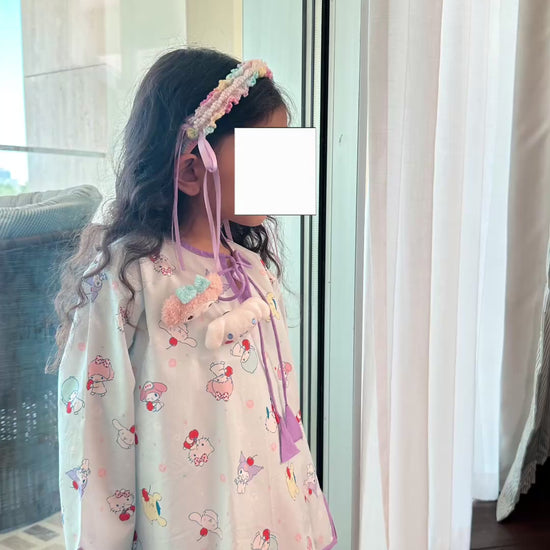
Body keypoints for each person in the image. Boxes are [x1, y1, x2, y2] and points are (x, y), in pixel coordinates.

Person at [50, 47, 337, 549]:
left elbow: (282, 416)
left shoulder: (252, 272)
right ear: (190, 171)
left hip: (267, 521)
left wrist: (305, 518)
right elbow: (94, 440)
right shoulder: (125, 279)